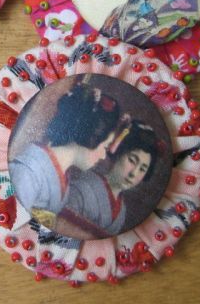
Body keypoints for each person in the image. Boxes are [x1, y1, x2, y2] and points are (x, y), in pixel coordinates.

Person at [8, 80, 121, 227]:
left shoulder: (64, 178)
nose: (103, 156)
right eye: (105, 147)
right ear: (91, 136)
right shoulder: (29, 171)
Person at [57, 120, 159, 239]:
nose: (134, 173)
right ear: (118, 154)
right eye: (132, 160)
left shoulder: (122, 211)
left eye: (142, 169)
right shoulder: (83, 189)